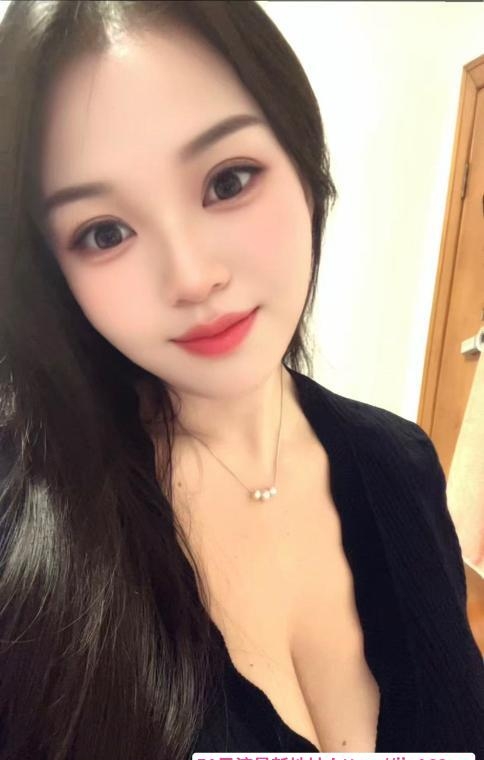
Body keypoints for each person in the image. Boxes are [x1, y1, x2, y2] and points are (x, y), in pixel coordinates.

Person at [0, 2, 482, 759]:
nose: (192, 278)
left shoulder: (403, 463)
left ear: (303, 160)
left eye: (228, 181)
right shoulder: (26, 534)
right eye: (104, 232)